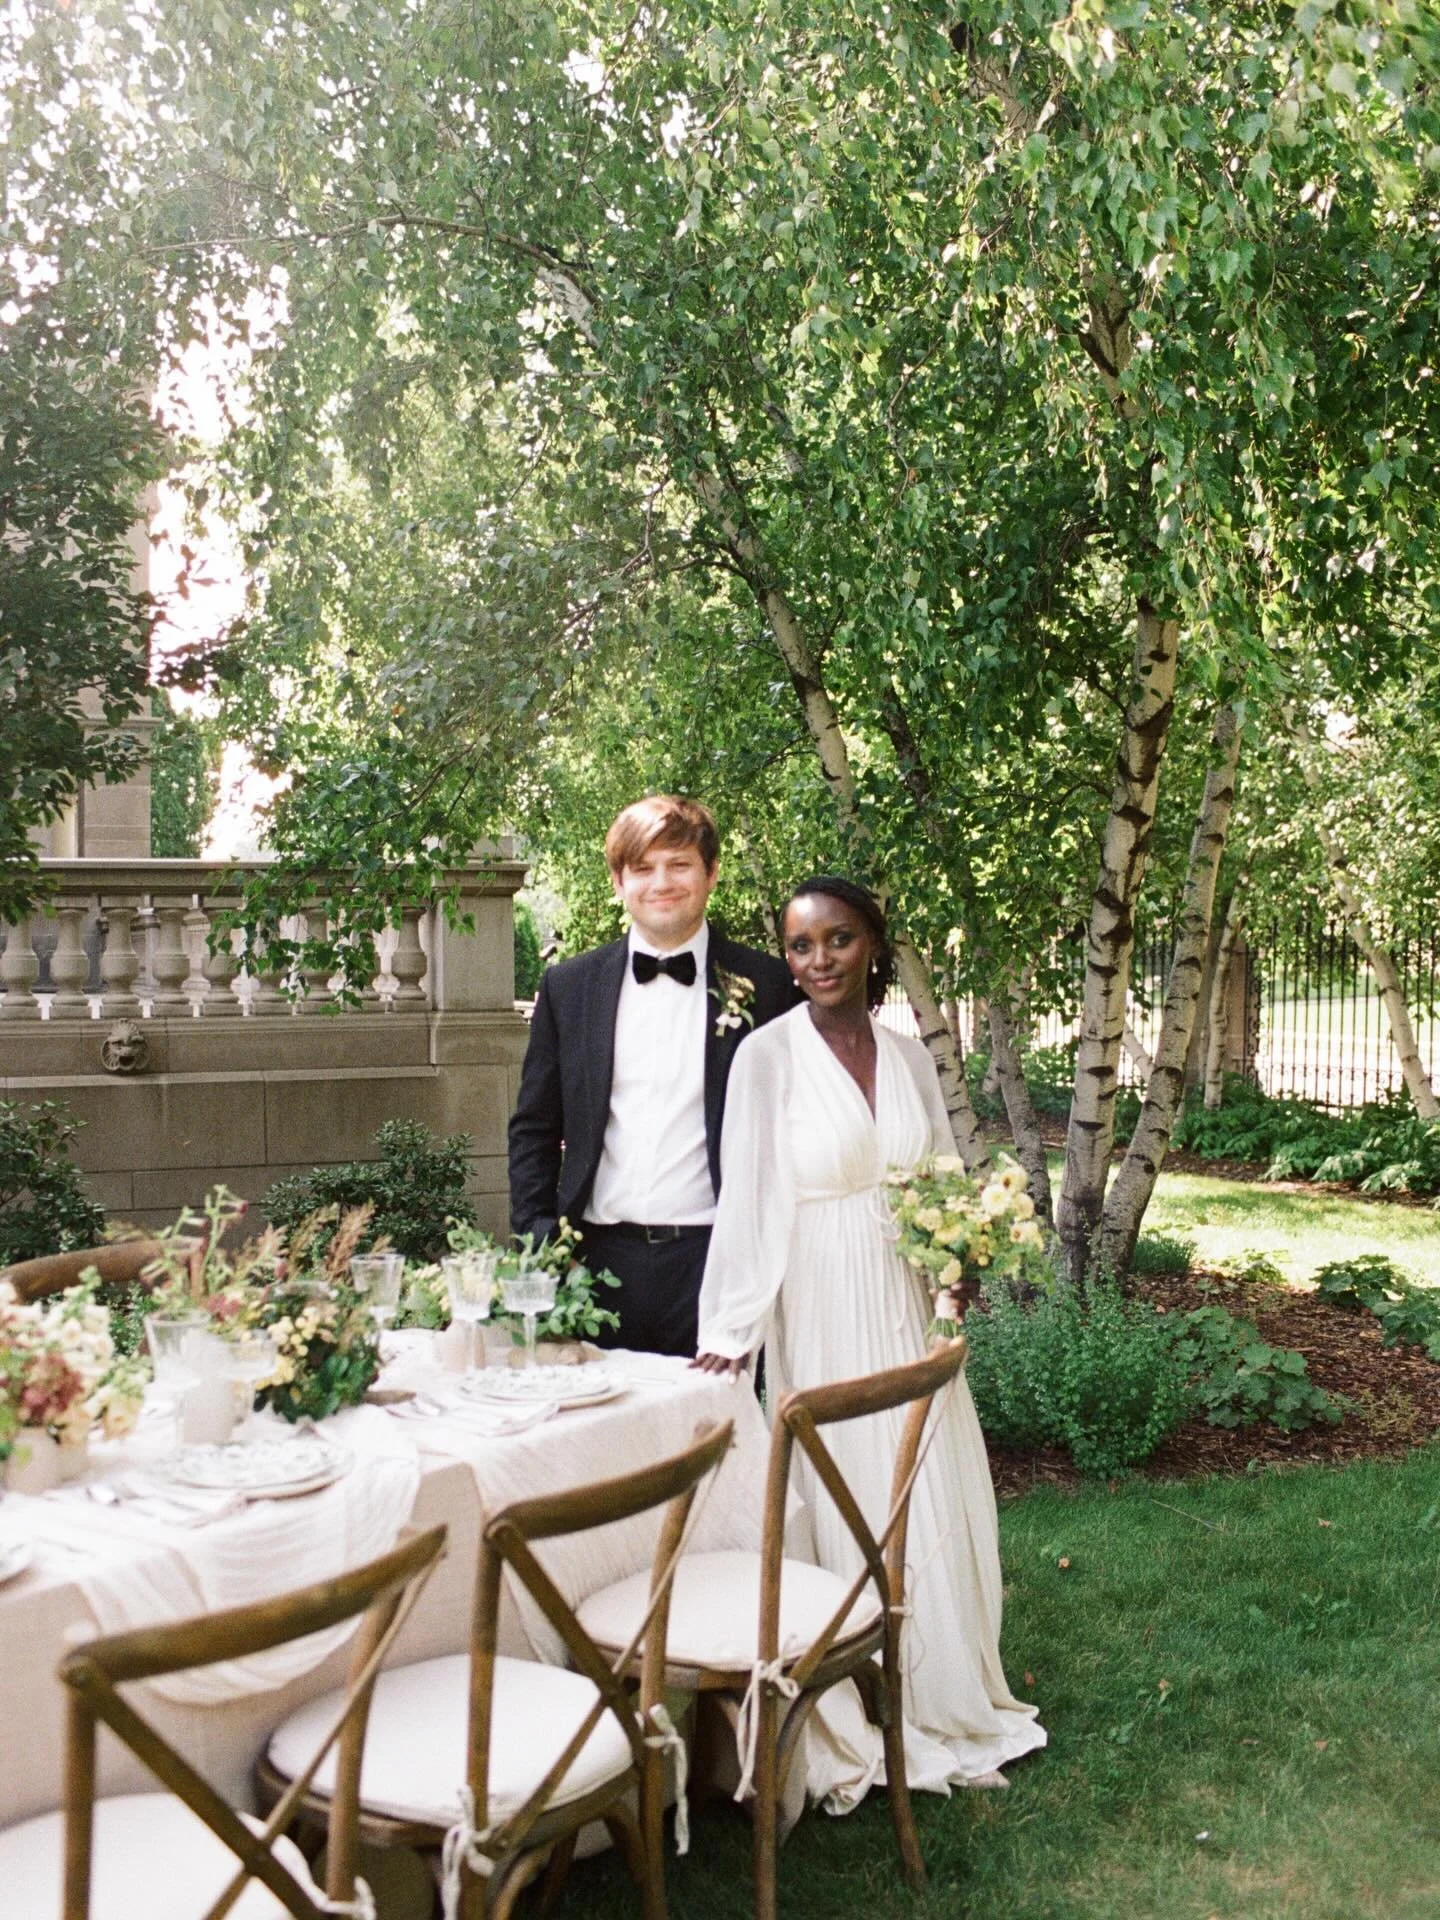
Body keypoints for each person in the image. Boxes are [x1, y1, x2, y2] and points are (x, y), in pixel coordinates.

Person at [693, 876, 1046, 1802]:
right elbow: (751, 1198)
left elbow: (935, 1171)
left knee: (924, 1467)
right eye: (801, 946)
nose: (818, 961)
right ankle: (857, 1682)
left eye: (838, 940)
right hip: (819, 1291)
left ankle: (940, 1683)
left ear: (872, 942)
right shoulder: (766, 1058)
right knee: (850, 1476)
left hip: (903, 1288)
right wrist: (732, 1328)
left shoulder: (910, 1055)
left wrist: (959, 1257)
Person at [508, 796, 797, 1356]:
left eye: (679, 864)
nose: (661, 882)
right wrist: (538, 1235)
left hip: (718, 1263)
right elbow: (533, 1128)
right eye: (642, 868)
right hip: (593, 1263)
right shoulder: (569, 987)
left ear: (711, 873)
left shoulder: (769, 986)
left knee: (713, 1435)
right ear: (619, 881)